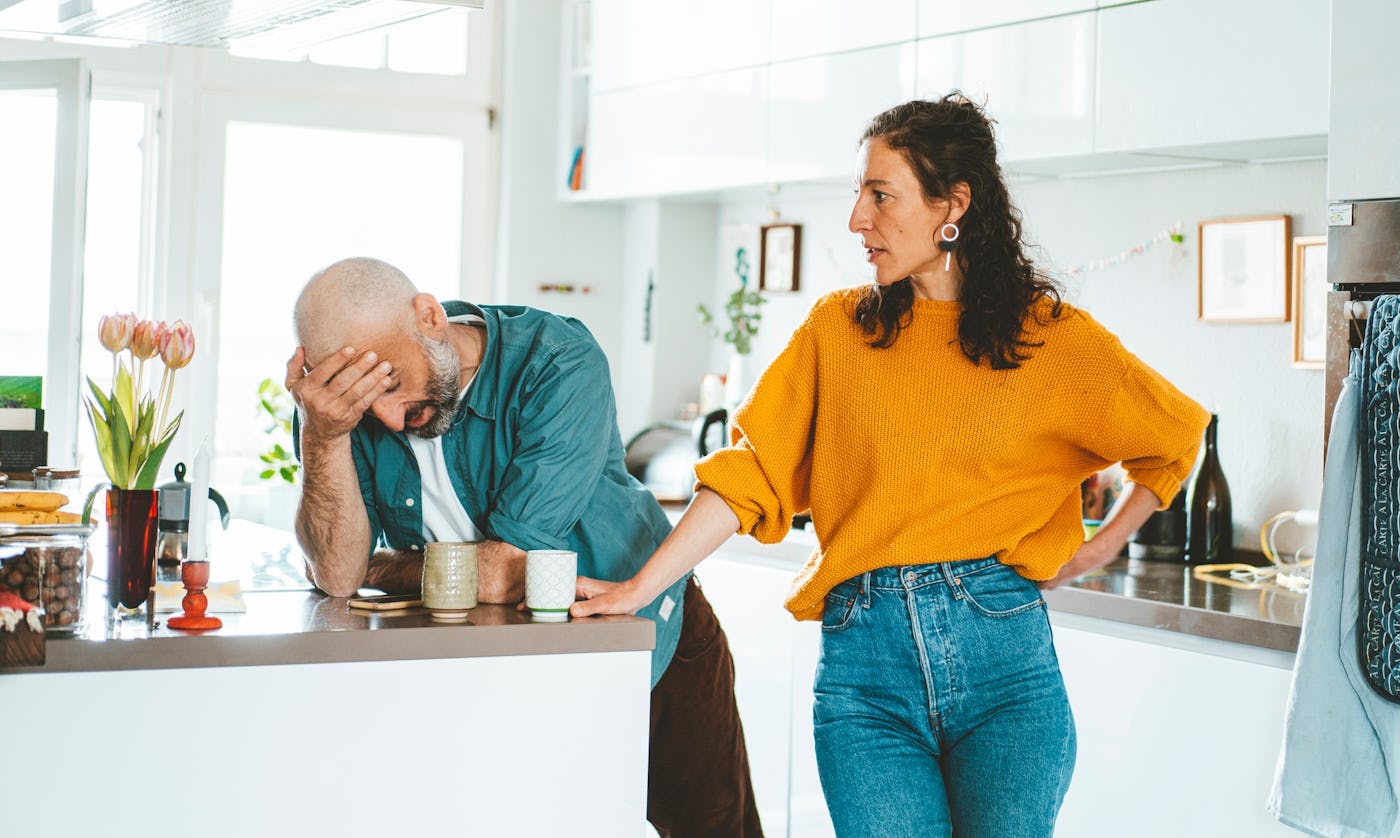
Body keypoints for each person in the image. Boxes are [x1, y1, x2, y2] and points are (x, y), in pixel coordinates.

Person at [571, 94, 1210, 837]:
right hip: (864, 677)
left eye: (881, 195)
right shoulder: (837, 333)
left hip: (1006, 669)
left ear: (952, 204)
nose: (857, 220)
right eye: (858, 194)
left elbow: (1173, 437)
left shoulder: (1049, 339)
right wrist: (640, 590)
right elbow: (751, 471)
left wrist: (1100, 546)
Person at [286, 257, 763, 837]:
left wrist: (381, 568)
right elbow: (336, 575)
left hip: (649, 641)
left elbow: (508, 573)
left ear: (430, 318)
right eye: (364, 404)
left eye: (391, 384)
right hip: (504, 674)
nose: (387, 419)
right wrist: (325, 435)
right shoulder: (332, 409)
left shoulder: (557, 362)